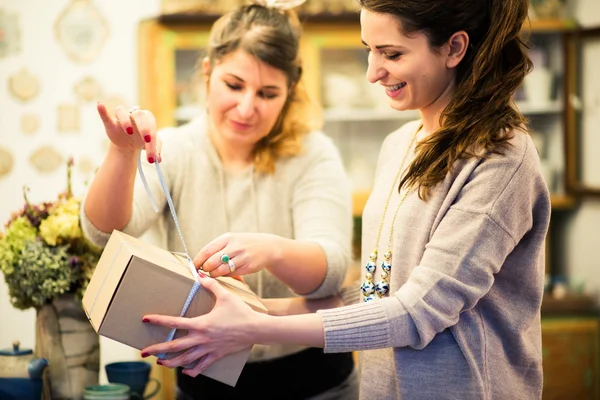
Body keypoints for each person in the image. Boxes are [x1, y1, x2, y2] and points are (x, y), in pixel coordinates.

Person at [139, 0, 552, 399]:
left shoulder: (501, 159)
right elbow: (381, 293)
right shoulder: (400, 145)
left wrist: (254, 328)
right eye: (369, 50)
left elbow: (420, 310)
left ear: (454, 48)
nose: (372, 73)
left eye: (391, 53)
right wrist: (254, 310)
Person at [80, 3, 359, 400]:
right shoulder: (174, 150)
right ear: (208, 72)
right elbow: (103, 234)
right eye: (234, 85)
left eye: (268, 93)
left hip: (316, 383)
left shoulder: (313, 154)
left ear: (290, 92)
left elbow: (330, 273)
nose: (247, 108)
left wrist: (272, 250)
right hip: (203, 380)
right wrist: (122, 155)